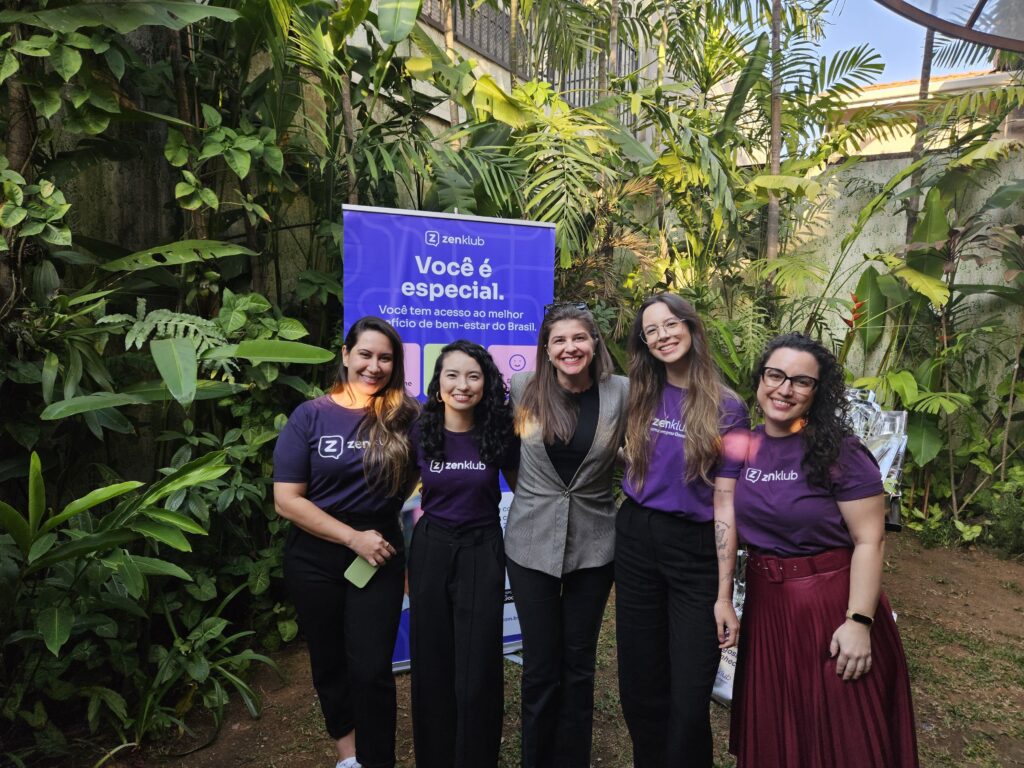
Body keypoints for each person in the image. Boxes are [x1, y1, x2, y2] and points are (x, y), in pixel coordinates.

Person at [728, 331, 918, 768]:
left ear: (817, 392)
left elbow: (870, 540)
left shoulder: (840, 452)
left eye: (801, 381)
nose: (784, 389)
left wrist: (859, 622)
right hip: (767, 607)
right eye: (775, 375)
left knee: (842, 734)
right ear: (760, 379)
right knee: (779, 728)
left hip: (829, 605)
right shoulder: (744, 446)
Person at [272, 317, 419, 768]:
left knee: (372, 668)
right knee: (329, 662)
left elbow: (425, 477)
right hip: (315, 555)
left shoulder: (408, 417)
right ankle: (349, 757)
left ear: (395, 363)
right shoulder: (310, 416)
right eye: (365, 354)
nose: (374, 366)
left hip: (379, 554)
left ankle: (378, 760)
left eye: (385, 358)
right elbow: (286, 500)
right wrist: (352, 537)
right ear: (345, 355)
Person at [617, 293, 748, 768]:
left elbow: (726, 500)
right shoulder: (638, 394)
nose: (662, 335)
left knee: (690, 696)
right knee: (640, 685)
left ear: (691, 328)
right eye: (651, 330)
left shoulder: (729, 408)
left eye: (670, 324)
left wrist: (724, 595)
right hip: (636, 538)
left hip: (695, 549)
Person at [503, 302, 629, 768]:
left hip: (595, 544)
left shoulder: (622, 392)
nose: (569, 347)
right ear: (546, 348)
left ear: (595, 342)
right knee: (540, 665)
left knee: (578, 664)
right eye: (559, 340)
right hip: (530, 543)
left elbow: (637, 453)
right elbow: (511, 458)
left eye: (579, 338)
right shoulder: (523, 388)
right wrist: (535, 499)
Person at [407, 340, 519, 768]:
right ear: (438, 382)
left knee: (479, 663)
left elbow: (524, 488)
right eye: (452, 375)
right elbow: (399, 492)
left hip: (481, 548)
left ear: (485, 383)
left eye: (473, 376)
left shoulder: (498, 432)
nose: (462, 385)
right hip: (432, 547)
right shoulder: (421, 429)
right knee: (432, 659)